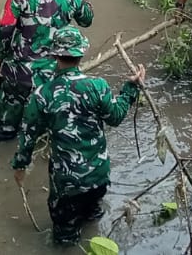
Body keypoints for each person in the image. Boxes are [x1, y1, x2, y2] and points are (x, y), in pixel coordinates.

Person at [11, 26, 143, 248]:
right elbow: (116, 116)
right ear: (81, 53)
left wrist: (20, 166)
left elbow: (28, 136)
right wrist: (131, 88)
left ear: (54, 56)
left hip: (67, 185)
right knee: (93, 217)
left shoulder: (42, 95)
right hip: (98, 177)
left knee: (65, 241)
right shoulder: (96, 86)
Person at [0, 0, 94, 143]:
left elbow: (5, 29)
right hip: (52, 75)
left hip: (18, 73)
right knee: (44, 130)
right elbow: (87, 20)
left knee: (3, 130)